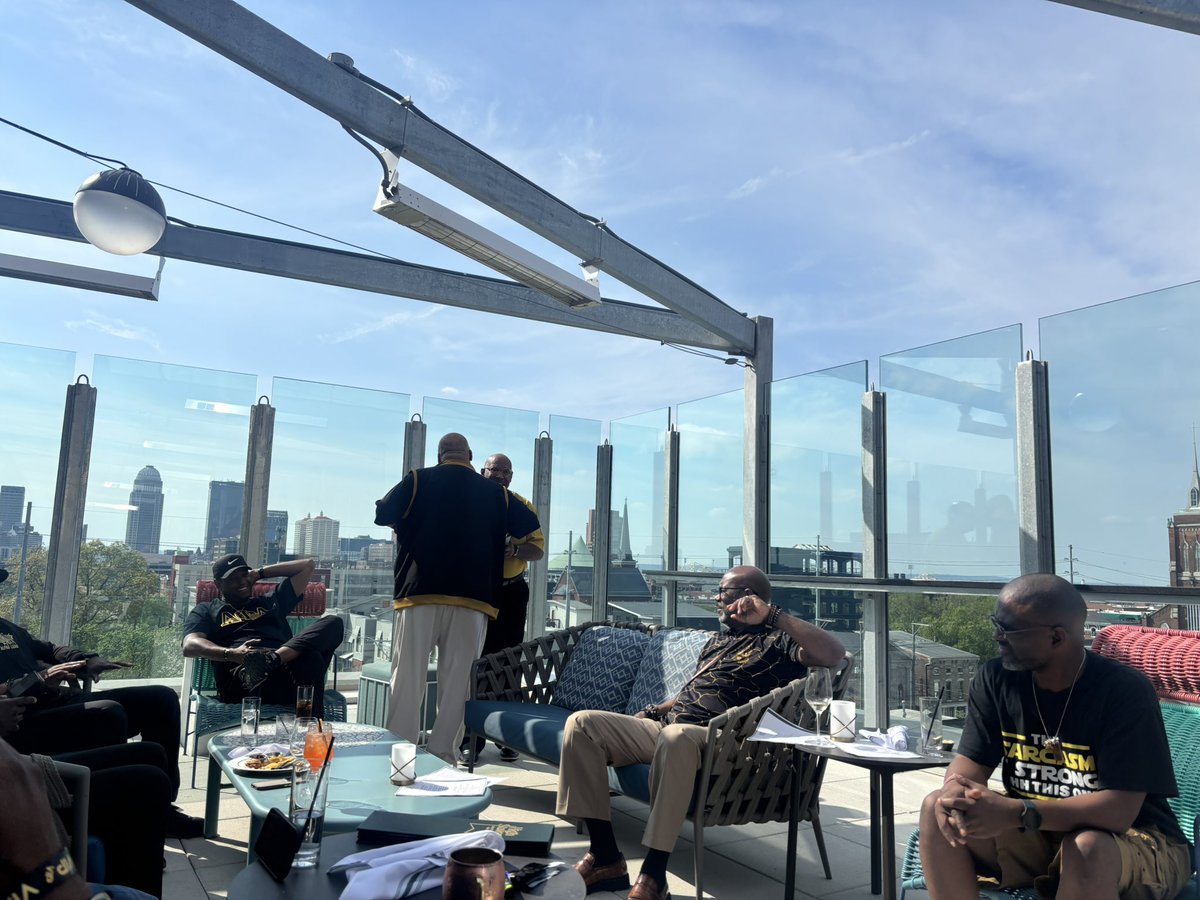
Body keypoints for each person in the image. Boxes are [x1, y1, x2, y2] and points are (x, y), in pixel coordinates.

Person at [555, 565, 846, 900]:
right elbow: (695, 690)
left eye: (723, 592)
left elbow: (834, 655)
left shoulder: (779, 641)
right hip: (670, 729)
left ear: (748, 597)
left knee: (677, 736)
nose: (717, 598)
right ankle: (605, 857)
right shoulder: (721, 640)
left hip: (726, 742)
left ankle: (654, 874)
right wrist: (656, 709)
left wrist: (773, 615)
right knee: (583, 724)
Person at [918, 573, 1192, 900]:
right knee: (937, 808)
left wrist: (1016, 812)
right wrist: (955, 790)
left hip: (1136, 841)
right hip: (1040, 831)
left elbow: (1118, 812)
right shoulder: (997, 679)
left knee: (1087, 849)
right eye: (996, 624)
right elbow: (970, 763)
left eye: (1008, 629)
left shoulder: (1123, 692)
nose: (996, 636)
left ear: (1057, 637)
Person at [374, 433, 540, 764]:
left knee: (407, 677)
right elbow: (529, 525)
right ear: (471, 456)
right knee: (458, 685)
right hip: (473, 600)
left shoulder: (418, 480)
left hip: (420, 593)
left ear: (440, 456)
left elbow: (383, 513)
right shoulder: (498, 494)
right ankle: (444, 756)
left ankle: (400, 760)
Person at [0, 586, 200, 839]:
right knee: (108, 713)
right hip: (21, 719)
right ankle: (111, 811)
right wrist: (34, 679)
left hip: (56, 700)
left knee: (161, 699)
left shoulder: (8, 628)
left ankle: (162, 806)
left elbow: (51, 649)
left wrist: (88, 659)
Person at [458, 452, 545, 764]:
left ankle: (507, 737)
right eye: (494, 470)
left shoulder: (522, 506)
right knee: (475, 663)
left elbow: (537, 550)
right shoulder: (468, 503)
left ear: (512, 477)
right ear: (482, 472)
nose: (500, 476)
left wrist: (515, 549)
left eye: (506, 472)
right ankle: (471, 740)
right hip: (477, 591)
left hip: (512, 593)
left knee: (509, 664)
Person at [181, 555, 345, 719]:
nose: (242, 582)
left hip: (284, 675)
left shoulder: (270, 601)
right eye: (233, 578)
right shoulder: (207, 610)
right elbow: (190, 645)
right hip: (244, 678)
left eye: (244, 575)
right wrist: (232, 654)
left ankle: (271, 660)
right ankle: (310, 724)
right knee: (312, 658)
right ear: (218, 584)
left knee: (333, 624)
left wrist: (258, 574)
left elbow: (307, 565)